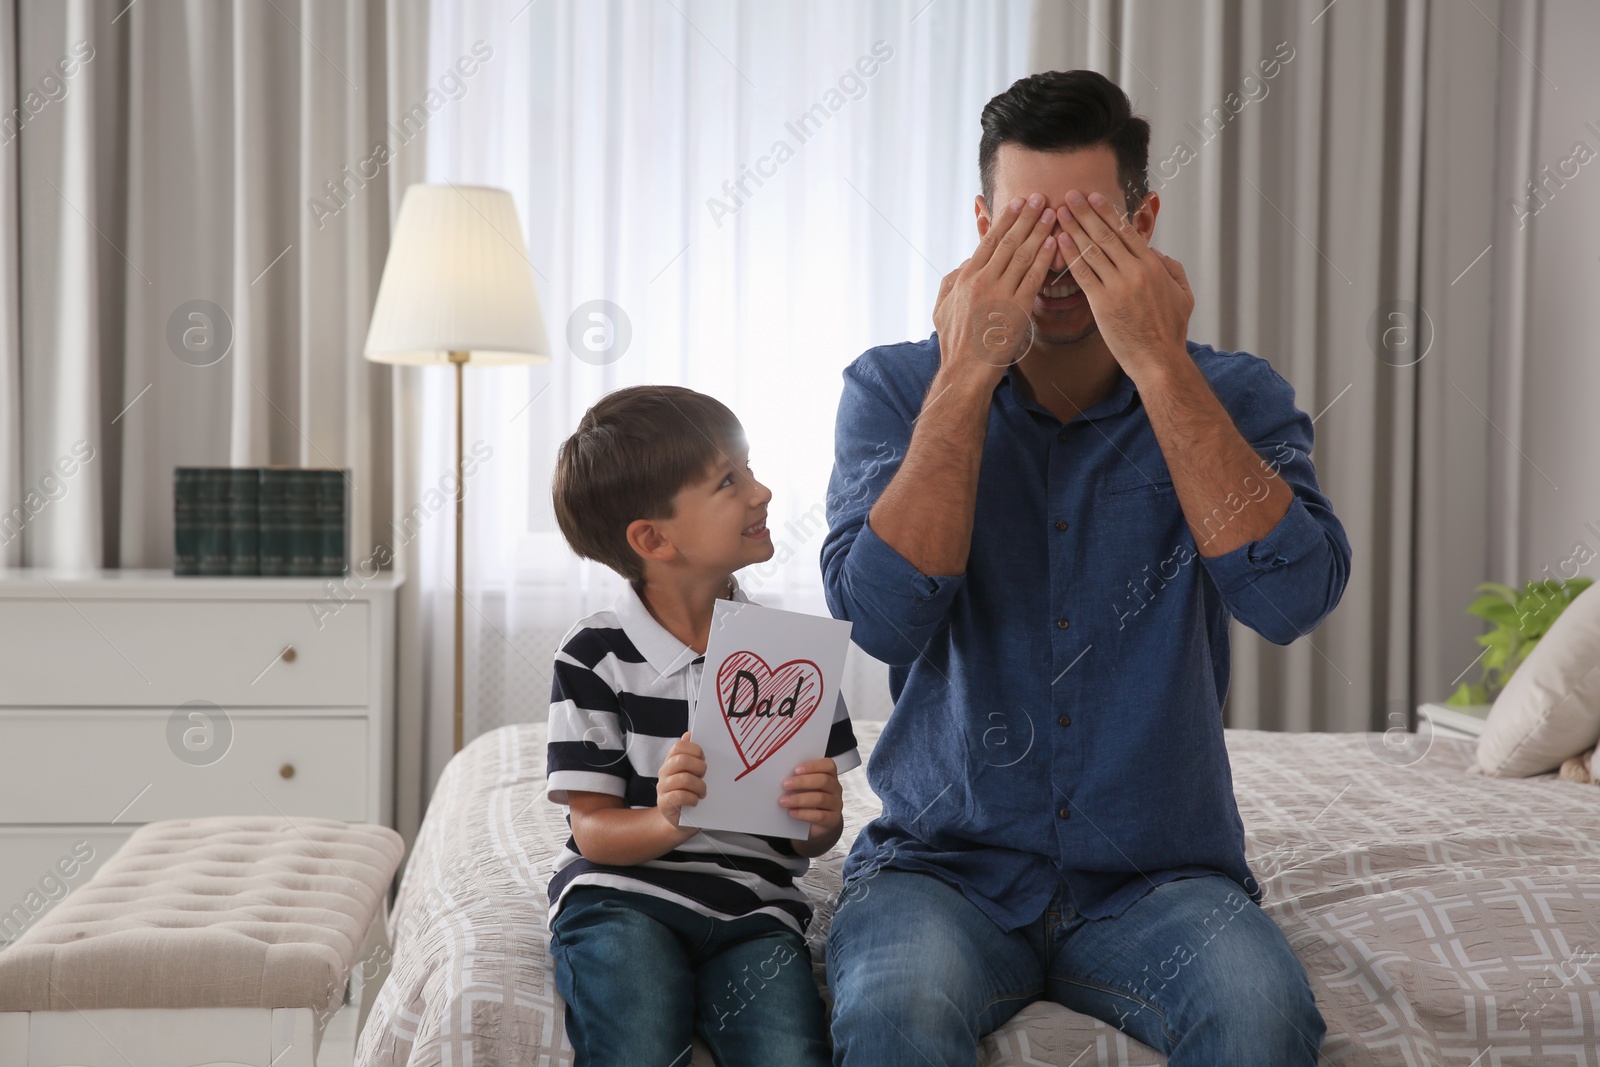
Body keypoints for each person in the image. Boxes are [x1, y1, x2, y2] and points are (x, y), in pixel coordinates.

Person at [821, 69, 1350, 1066]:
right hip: (944, 869)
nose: (1053, 263)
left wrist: (1160, 366)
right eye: (1022, 228)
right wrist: (968, 372)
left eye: (1089, 228)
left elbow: (1289, 598)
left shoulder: (1233, 394)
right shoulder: (894, 387)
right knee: (892, 1016)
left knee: (1261, 1019)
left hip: (1163, 879)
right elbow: (883, 618)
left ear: (1144, 221)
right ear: (980, 223)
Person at [545, 384, 861, 1066]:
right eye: (729, 481)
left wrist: (824, 815)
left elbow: (816, 828)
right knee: (635, 1035)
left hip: (756, 914)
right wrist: (669, 820)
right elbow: (591, 827)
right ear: (653, 538)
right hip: (626, 900)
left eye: (749, 469)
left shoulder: (793, 653)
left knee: (789, 1051)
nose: (762, 492)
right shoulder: (595, 652)